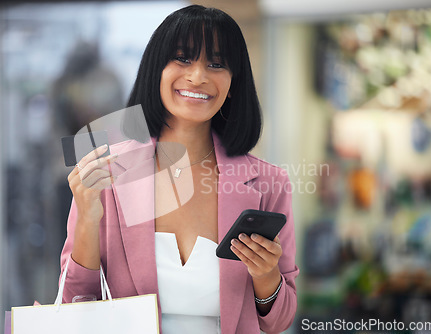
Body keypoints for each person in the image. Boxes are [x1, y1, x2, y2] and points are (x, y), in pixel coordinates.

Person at [60, 5, 299, 334]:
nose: (198, 76)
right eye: (183, 59)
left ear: (233, 83)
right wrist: (87, 219)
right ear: (157, 68)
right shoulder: (109, 172)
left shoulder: (270, 184)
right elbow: (75, 301)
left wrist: (266, 276)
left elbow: (280, 321)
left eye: (216, 64)